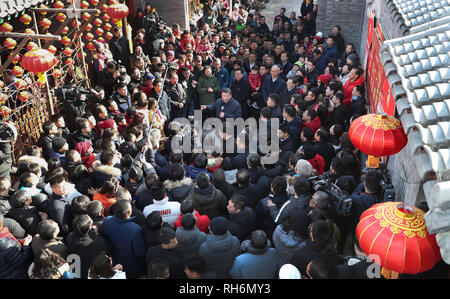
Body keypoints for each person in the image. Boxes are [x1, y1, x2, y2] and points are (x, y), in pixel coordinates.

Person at [101, 200, 146, 278]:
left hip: (113, 263)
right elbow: (139, 253)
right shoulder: (136, 229)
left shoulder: (107, 221)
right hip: (131, 267)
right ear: (128, 213)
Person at [66, 214, 114, 279]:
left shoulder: (69, 237)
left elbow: (82, 236)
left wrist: (93, 232)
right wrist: (96, 234)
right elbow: (111, 249)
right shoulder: (98, 242)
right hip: (91, 272)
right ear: (89, 227)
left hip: (77, 271)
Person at [0, 213, 32, 279]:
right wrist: (26, 245)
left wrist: (19, 243)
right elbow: (22, 261)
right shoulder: (6, 244)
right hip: (15, 274)